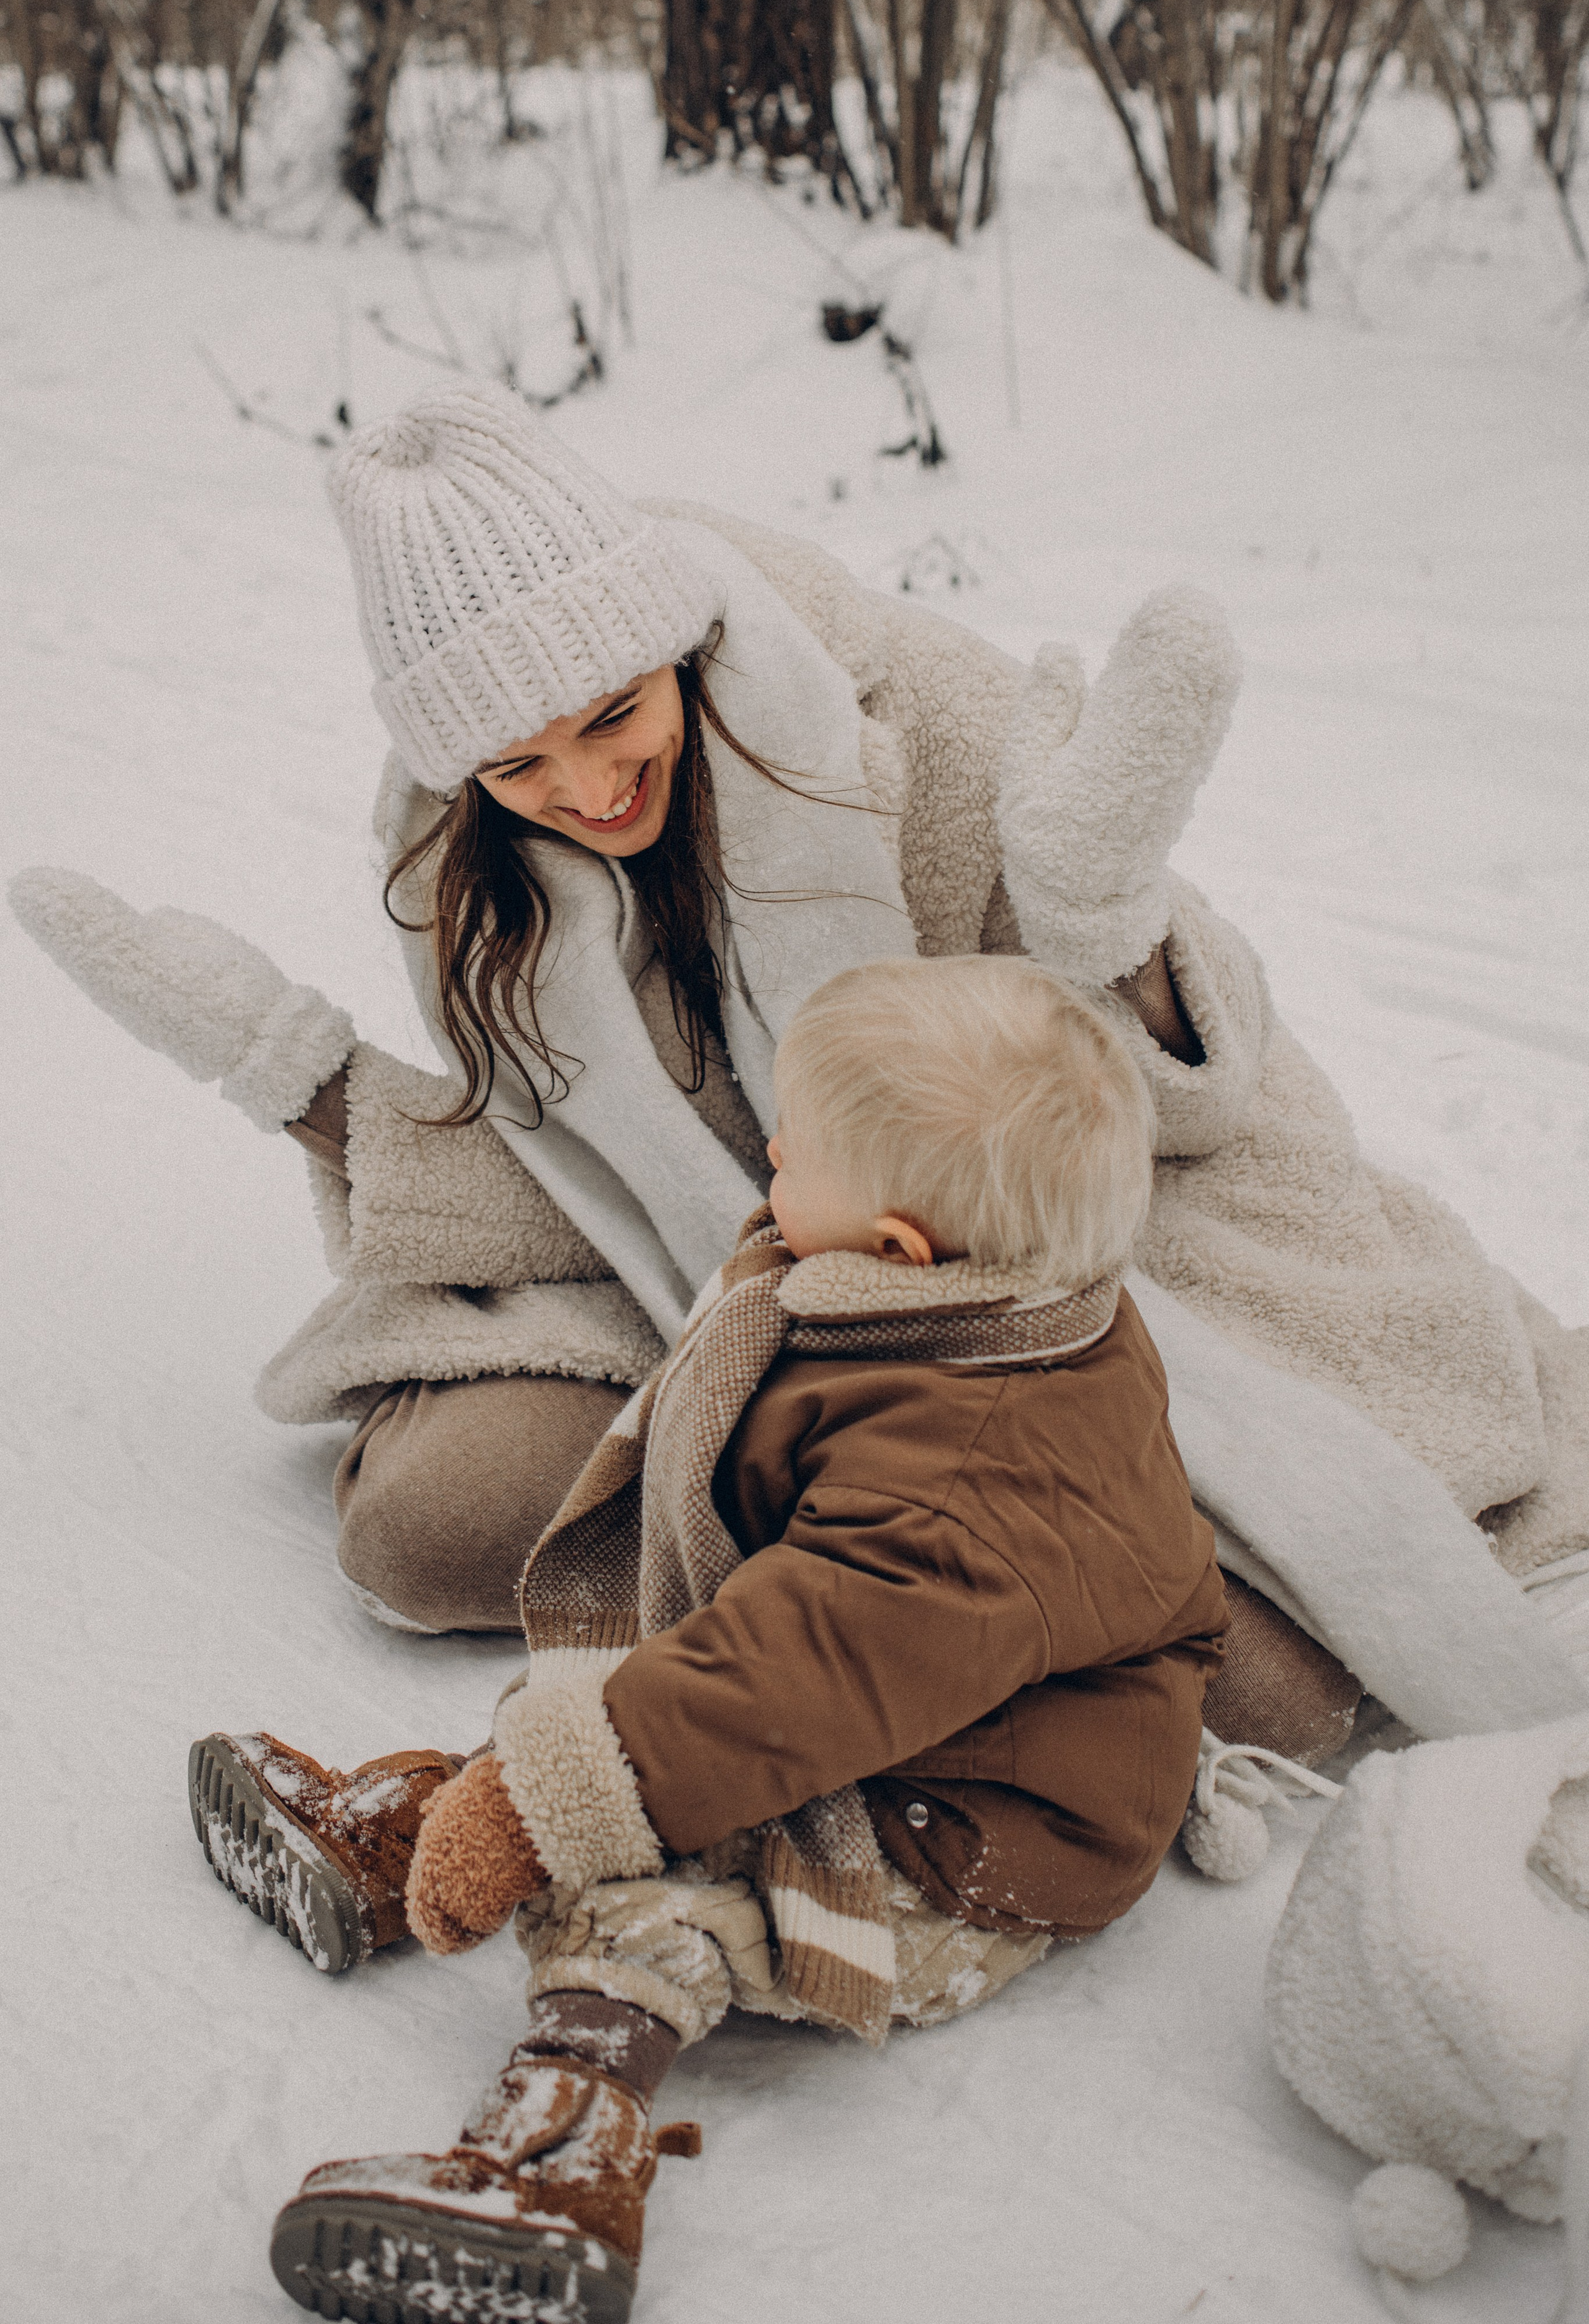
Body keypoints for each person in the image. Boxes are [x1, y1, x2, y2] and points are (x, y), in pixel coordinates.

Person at [11, 382, 1582, 1753]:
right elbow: (582, 1180)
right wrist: (297, 1075)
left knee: (1260, 1689)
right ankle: (898, 1568)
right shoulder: (467, 876)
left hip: (1058, 1233)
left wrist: (1107, 930)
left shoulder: (901, 708)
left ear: (667, 644)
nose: (579, 786)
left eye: (609, 716)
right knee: (431, 1532)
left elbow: (1195, 1100)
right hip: (738, 1280)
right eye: (515, 764)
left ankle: (895, 1568)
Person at [249, 951, 1230, 2321]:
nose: (770, 1150)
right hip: (893, 1700)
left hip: (983, 1823)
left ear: (902, 1247)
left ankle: (562, 2153)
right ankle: (411, 1844)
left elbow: (788, 1682)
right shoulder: (985, 1303)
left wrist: (559, 1810)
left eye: (799, 1146)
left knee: (668, 1872)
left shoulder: (968, 1483)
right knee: (618, 1742)